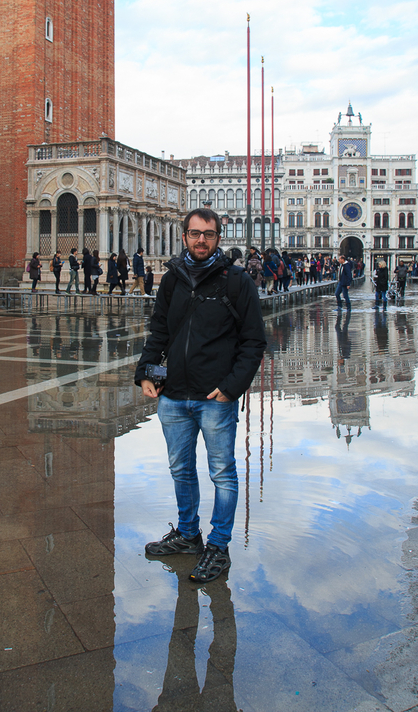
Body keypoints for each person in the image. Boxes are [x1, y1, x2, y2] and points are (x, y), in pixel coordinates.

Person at [135, 208, 266, 584]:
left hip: (214, 398)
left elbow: (254, 341)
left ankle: (219, 545)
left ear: (218, 238)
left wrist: (231, 388)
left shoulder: (236, 281)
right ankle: (189, 534)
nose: (200, 240)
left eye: (208, 234)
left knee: (222, 472)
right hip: (173, 395)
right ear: (184, 237)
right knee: (180, 469)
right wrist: (146, 372)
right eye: (194, 233)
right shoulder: (172, 279)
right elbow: (160, 331)